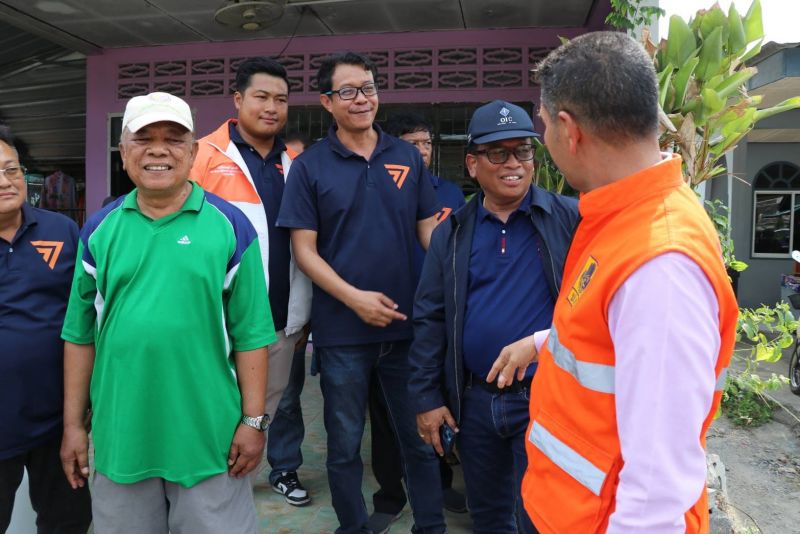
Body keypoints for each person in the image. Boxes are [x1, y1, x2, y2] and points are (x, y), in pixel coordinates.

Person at [487, 32, 738, 533]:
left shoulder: (660, 266)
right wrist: (541, 343)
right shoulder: (627, 216)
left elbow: (658, 490)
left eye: (541, 127)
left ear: (568, 129)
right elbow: (614, 344)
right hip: (565, 510)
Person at [60, 92, 277, 534]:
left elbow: (253, 333)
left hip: (208, 439)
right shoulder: (100, 230)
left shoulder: (230, 225)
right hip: (122, 438)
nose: (158, 149)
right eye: (144, 139)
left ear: (193, 152)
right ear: (124, 153)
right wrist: (73, 426)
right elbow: (79, 335)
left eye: (174, 139)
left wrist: (253, 422)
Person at [277, 51, 445, 534]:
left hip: (404, 329)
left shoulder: (406, 156)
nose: (361, 99)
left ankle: (430, 526)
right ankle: (352, 527)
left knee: (419, 436)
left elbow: (430, 235)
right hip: (341, 333)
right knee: (345, 443)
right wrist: (353, 298)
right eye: (348, 91)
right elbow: (304, 252)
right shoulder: (308, 168)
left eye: (368, 88)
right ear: (327, 102)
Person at [410, 100, 578, 533]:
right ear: (472, 163)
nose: (513, 164)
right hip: (477, 402)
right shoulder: (453, 231)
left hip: (545, 396)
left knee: (539, 518)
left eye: (522, 150)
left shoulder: (569, 219)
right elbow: (429, 317)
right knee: (488, 517)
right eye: (496, 153)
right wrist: (428, 398)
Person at [190, 57, 312, 505]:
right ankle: (209, 485)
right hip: (216, 321)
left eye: (281, 99)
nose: (271, 107)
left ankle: (272, 471)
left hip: (281, 318)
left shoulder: (298, 164)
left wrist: (306, 315)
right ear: (238, 100)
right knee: (214, 404)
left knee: (272, 404)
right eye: (261, 97)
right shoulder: (202, 155)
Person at [367, 112, 467, 531]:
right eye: (413, 143)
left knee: (436, 408)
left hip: (439, 322)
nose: (422, 151)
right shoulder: (378, 191)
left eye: (427, 143)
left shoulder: (452, 194)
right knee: (387, 416)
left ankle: (440, 483)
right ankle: (389, 495)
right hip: (387, 317)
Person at [0, 126, 91, 533]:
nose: (6, 182)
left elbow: (86, 316)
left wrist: (84, 410)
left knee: (67, 523)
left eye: (12, 170)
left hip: (58, 422)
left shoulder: (62, 231)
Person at [263, 132, 315, 507]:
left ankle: (283, 467)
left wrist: (306, 318)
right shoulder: (222, 170)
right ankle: (225, 469)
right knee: (227, 396)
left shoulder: (301, 180)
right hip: (235, 318)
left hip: (286, 315)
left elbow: (310, 256)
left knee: (286, 399)